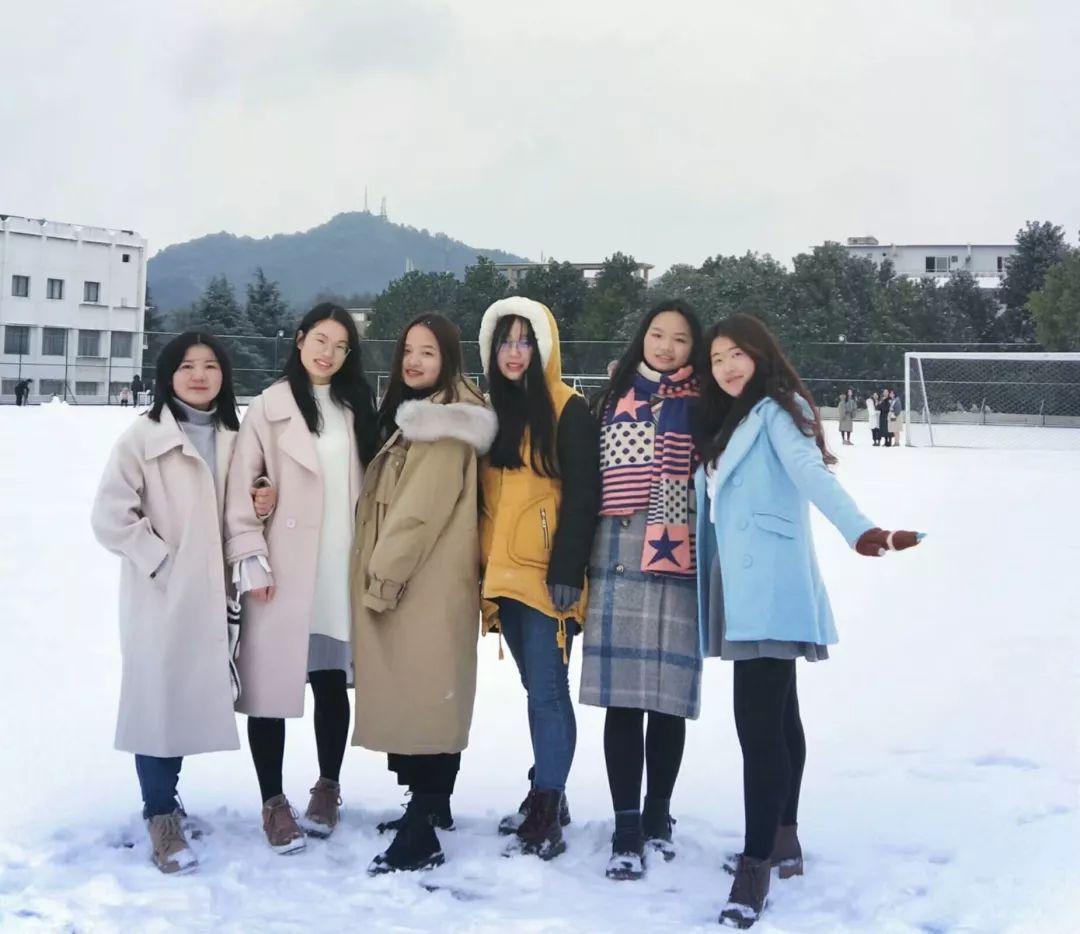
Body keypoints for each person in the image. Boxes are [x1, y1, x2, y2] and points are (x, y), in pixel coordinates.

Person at [693, 314, 922, 929]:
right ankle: (783, 840)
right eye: (717, 358)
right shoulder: (731, 417)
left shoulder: (776, 409)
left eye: (737, 354)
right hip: (741, 583)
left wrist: (862, 531)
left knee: (757, 728)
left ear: (760, 354)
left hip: (768, 585)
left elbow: (812, 474)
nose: (727, 366)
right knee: (779, 717)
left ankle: (755, 865)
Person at [225, 302, 378, 854]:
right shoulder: (268, 407)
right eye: (320, 340)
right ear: (299, 339)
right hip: (283, 566)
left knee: (330, 680)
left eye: (340, 346)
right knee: (269, 687)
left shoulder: (357, 405)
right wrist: (251, 554)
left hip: (340, 560)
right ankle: (273, 802)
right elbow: (242, 487)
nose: (328, 353)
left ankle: (327, 787)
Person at [90, 333, 243, 875]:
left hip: (214, 591)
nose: (199, 375)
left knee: (185, 697)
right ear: (167, 376)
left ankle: (167, 800)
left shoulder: (235, 434)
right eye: (186, 366)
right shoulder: (143, 437)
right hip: (161, 595)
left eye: (210, 365)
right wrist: (160, 561)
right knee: (157, 701)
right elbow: (109, 516)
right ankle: (159, 815)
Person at [352, 312, 497, 874]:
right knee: (429, 694)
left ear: (449, 359)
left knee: (425, 697)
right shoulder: (427, 413)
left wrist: (383, 579)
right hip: (425, 582)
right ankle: (431, 807)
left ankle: (421, 832)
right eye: (408, 350)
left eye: (428, 352)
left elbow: (417, 514)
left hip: (421, 584)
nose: (413, 361)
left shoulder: (444, 425)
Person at [580, 300, 704, 881]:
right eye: (657, 334)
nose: (666, 346)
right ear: (642, 337)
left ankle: (659, 813)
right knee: (625, 697)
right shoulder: (610, 398)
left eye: (680, 339)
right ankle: (626, 824)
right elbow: (588, 480)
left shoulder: (706, 403)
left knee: (668, 696)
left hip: (679, 552)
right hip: (617, 549)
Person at [478, 296, 601, 860]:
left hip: (548, 579)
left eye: (525, 341)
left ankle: (547, 809)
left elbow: (583, 495)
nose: (514, 352)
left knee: (549, 694)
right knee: (537, 691)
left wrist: (568, 570)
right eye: (505, 341)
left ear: (544, 347)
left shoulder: (568, 408)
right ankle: (549, 789)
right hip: (502, 575)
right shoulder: (493, 411)